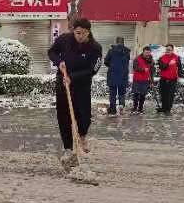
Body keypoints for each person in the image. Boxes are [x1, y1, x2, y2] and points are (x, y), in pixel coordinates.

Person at [48, 18, 103, 157]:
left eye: (84, 33)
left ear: (89, 32)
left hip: (82, 86)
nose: (80, 36)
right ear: (73, 31)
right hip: (63, 83)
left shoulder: (95, 47)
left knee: (84, 115)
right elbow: (52, 52)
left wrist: (73, 77)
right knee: (63, 115)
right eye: (78, 33)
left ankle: (82, 136)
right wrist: (59, 62)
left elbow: (93, 70)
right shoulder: (64, 40)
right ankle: (68, 147)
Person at [104, 37, 131, 116]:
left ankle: (112, 110)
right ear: (123, 42)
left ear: (116, 42)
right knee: (122, 93)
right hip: (123, 75)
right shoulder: (127, 51)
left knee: (112, 93)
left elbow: (106, 61)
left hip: (113, 75)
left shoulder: (111, 51)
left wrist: (112, 66)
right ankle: (121, 106)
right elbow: (127, 62)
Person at [157, 44, 181, 116]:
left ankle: (168, 109)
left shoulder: (176, 57)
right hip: (164, 79)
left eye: (169, 50)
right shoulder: (161, 58)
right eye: (167, 49)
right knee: (163, 94)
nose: (168, 51)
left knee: (170, 95)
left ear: (172, 50)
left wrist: (179, 75)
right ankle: (163, 108)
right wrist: (169, 64)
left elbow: (180, 67)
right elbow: (162, 67)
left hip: (173, 79)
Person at [131, 46, 155, 114]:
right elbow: (135, 67)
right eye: (146, 52)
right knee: (135, 94)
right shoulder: (137, 58)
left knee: (143, 94)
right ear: (143, 52)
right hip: (137, 79)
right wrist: (143, 69)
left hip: (145, 80)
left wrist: (152, 81)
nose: (147, 54)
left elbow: (152, 71)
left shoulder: (151, 60)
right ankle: (135, 107)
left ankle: (140, 108)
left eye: (149, 53)